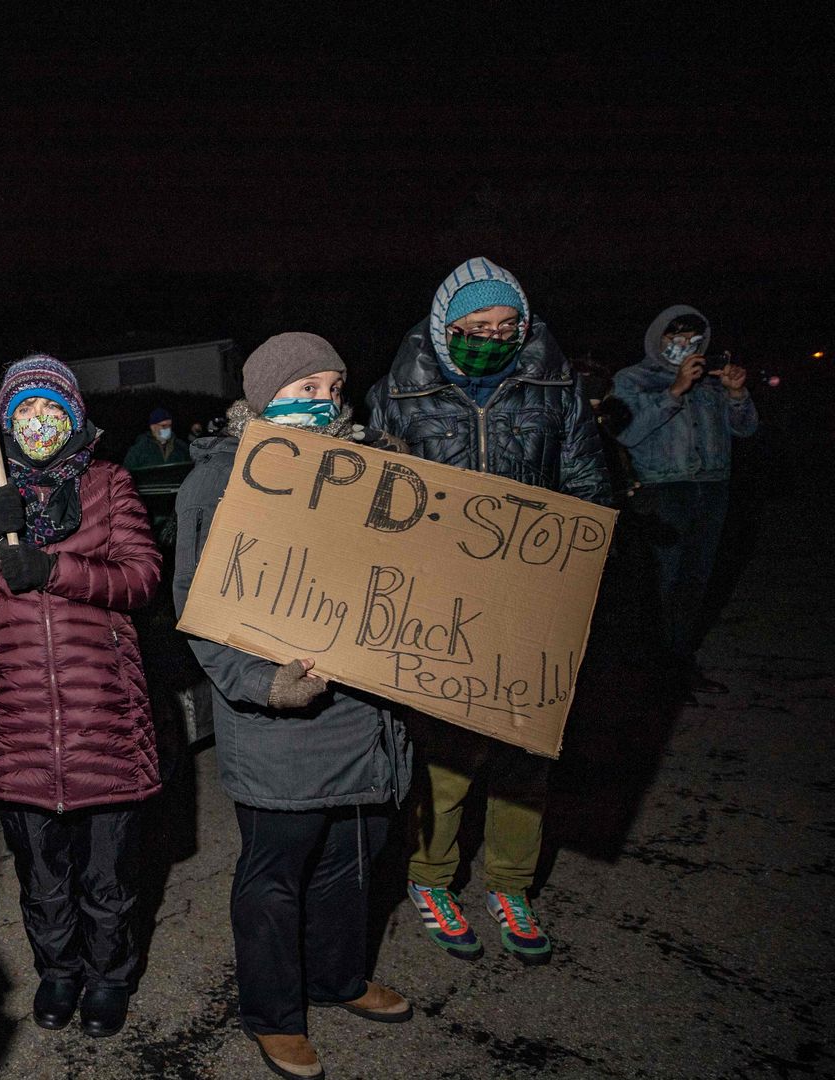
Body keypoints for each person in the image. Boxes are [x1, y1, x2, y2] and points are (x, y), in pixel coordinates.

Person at [174, 333, 413, 1080]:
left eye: (334, 388)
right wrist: (264, 683)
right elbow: (197, 610)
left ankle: (338, 978)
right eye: (306, 388)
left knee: (353, 861)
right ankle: (274, 1014)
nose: (325, 401)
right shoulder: (218, 483)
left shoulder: (369, 470)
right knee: (277, 872)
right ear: (264, 395)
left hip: (363, 719)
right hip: (281, 724)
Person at [367, 258, 612, 969]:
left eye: (507, 328)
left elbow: (588, 487)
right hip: (442, 604)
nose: (492, 339)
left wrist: (576, 574)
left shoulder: (554, 387)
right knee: (445, 758)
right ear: (445, 326)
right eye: (476, 327)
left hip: (530, 600)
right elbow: (378, 501)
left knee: (525, 756)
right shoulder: (398, 393)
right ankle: (431, 877)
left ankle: (511, 885)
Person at [0, 354, 162, 1039]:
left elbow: (142, 578)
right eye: (24, 410)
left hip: (103, 715)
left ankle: (109, 977)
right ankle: (59, 973)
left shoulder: (108, 482)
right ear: (6, 423)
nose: (38, 421)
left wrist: (55, 569)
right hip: (20, 721)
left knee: (108, 878)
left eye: (50, 407)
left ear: (73, 414)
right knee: (41, 878)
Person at [610, 305, 757, 695]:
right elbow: (626, 432)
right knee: (661, 581)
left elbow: (745, 429)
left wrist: (737, 394)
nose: (685, 346)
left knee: (696, 581)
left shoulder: (710, 379)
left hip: (712, 488)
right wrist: (674, 390)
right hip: (663, 489)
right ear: (657, 338)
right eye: (675, 338)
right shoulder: (633, 378)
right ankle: (652, 671)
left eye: (693, 339)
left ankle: (680, 662)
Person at [122, 406, 190, 470]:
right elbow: (127, 474)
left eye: (169, 425)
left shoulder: (181, 447)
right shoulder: (138, 450)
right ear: (153, 427)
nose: (168, 429)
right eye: (164, 426)